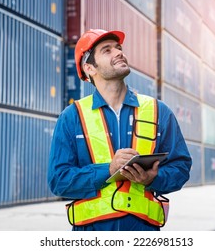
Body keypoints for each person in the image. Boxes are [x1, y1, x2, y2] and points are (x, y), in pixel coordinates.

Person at [47, 29, 192, 231]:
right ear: (89, 68)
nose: (118, 53)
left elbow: (181, 167)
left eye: (119, 48)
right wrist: (108, 170)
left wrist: (153, 179)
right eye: (107, 50)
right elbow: (59, 180)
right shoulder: (72, 117)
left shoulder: (159, 111)